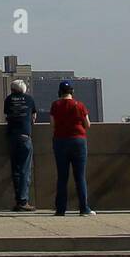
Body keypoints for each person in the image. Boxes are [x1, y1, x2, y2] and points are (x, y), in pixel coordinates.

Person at [51, 81, 94, 216]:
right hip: (78, 141)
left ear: (60, 92)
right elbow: (88, 124)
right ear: (72, 92)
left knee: (62, 176)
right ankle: (84, 208)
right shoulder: (79, 105)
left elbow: (53, 124)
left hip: (60, 141)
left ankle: (60, 209)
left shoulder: (55, 105)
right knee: (80, 176)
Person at [3, 79, 38, 211]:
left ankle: (19, 200)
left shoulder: (8, 100)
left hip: (12, 136)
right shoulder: (29, 99)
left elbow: (7, 115)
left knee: (16, 170)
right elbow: (33, 116)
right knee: (25, 170)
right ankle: (23, 201)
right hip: (25, 136)